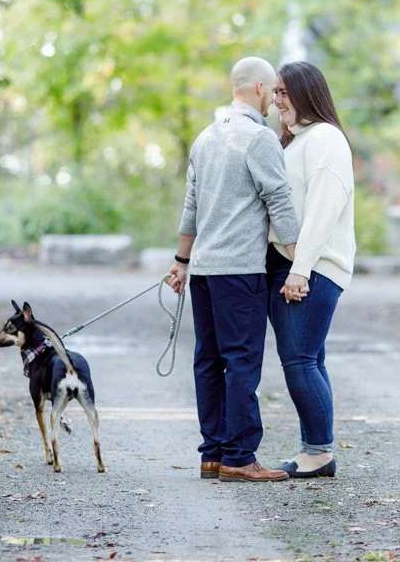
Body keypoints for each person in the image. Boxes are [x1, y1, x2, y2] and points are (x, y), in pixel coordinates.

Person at [165, 57, 300, 483]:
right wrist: (302, 261)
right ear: (259, 89)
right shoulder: (259, 139)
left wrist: (181, 262)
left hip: (204, 271)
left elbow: (191, 207)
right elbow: (279, 202)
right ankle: (240, 457)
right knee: (242, 360)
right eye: (273, 91)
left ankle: (213, 454)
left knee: (208, 360)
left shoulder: (206, 138)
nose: (275, 100)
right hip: (240, 271)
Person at [266, 61, 355, 479]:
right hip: (295, 266)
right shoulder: (296, 142)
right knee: (308, 359)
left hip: (313, 268)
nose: (277, 100)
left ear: (306, 94)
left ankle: (319, 453)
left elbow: (322, 210)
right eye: (276, 92)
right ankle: (314, 448)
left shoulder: (326, 139)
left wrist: (299, 271)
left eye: (284, 92)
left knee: (299, 360)